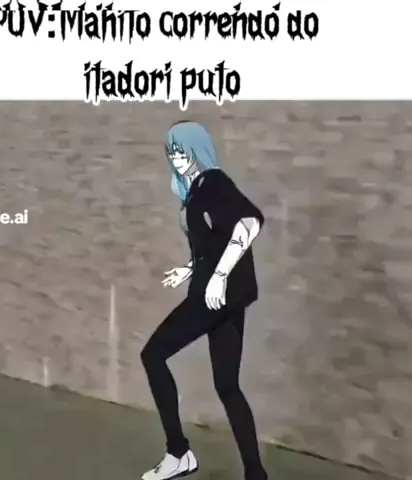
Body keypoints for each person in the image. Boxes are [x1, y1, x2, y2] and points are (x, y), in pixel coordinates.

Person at [141, 121, 268, 480]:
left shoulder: (213, 182)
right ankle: (256, 474)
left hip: (215, 296)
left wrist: (219, 277)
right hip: (228, 297)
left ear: (198, 150)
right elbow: (215, 243)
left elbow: (250, 222)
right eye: (172, 153)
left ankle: (178, 453)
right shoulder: (198, 190)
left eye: (182, 151)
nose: (177, 159)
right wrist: (189, 269)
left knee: (153, 355)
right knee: (227, 385)